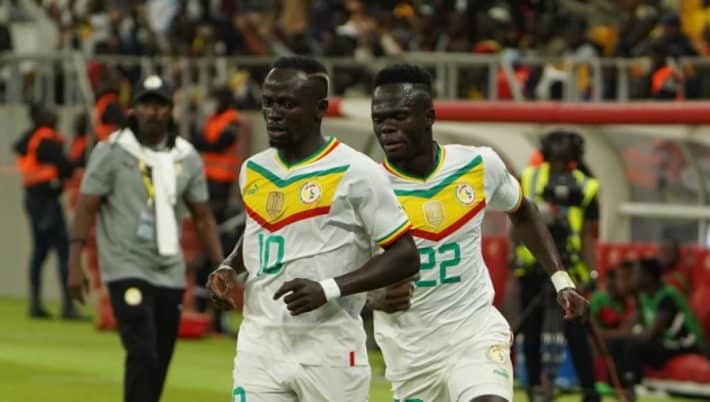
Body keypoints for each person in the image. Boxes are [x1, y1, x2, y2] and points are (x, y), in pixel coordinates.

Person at [366, 64, 589, 402]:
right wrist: (372, 299)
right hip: (411, 352)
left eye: (399, 116)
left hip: (474, 333)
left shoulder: (478, 165)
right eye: (379, 119)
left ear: (428, 117)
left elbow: (523, 210)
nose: (387, 127)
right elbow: (336, 270)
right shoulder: (364, 188)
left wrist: (561, 280)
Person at [207, 56, 420, 402]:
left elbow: (406, 255)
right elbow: (260, 229)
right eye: (268, 103)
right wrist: (230, 266)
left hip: (328, 347)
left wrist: (328, 289)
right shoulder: (254, 169)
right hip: (259, 345)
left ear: (319, 109)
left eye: (287, 104)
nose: (274, 113)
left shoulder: (356, 171)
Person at [66, 74, 224, 402]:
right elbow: (86, 206)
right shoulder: (112, 150)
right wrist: (74, 263)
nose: (153, 112)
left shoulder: (186, 156)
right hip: (125, 266)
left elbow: (203, 215)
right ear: (134, 109)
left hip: (169, 270)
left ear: (171, 110)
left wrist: (219, 266)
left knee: (160, 358)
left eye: (160, 105)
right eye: (146, 104)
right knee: (142, 350)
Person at [513, 130, 601, 402]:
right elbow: (516, 220)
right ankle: (534, 389)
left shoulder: (587, 186)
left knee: (576, 331)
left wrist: (592, 272)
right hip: (532, 266)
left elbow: (589, 234)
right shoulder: (529, 177)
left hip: (569, 268)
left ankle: (589, 391)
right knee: (531, 333)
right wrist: (512, 252)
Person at [14, 104, 84, 319]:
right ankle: (68, 307)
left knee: (40, 252)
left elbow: (18, 148)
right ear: (40, 118)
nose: (54, 115)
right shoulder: (46, 139)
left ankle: (35, 304)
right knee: (63, 250)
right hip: (47, 202)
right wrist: (75, 163)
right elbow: (65, 166)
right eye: (48, 112)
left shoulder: (31, 138)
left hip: (34, 200)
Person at [609, 258, 707, 391]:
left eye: (636, 273)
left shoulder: (667, 296)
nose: (633, 278)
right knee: (617, 344)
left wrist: (612, 335)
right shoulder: (644, 297)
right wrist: (609, 335)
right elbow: (627, 328)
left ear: (647, 276)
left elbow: (650, 335)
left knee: (633, 346)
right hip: (665, 342)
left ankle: (636, 388)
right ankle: (617, 386)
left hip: (684, 342)